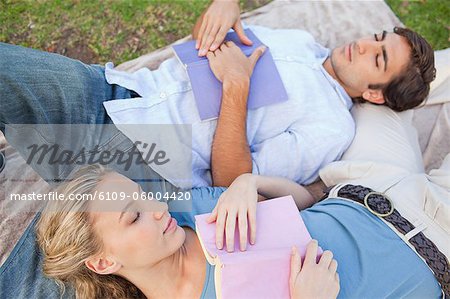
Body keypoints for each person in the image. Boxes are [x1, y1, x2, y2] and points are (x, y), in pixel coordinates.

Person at [0, 0, 435, 190]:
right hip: (116, 91)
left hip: (144, 158)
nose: (362, 44)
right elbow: (204, 48)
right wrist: (221, 12)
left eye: (378, 58)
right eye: (376, 37)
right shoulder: (300, 40)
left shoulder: (332, 128)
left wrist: (238, 86)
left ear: (376, 96)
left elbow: (234, 181)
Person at [35, 164, 444, 298]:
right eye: (134, 216)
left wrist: (248, 182)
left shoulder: (189, 210)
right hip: (439, 247)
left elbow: (304, 201)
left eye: (144, 196)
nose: (159, 209)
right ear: (104, 261)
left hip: (378, 188)